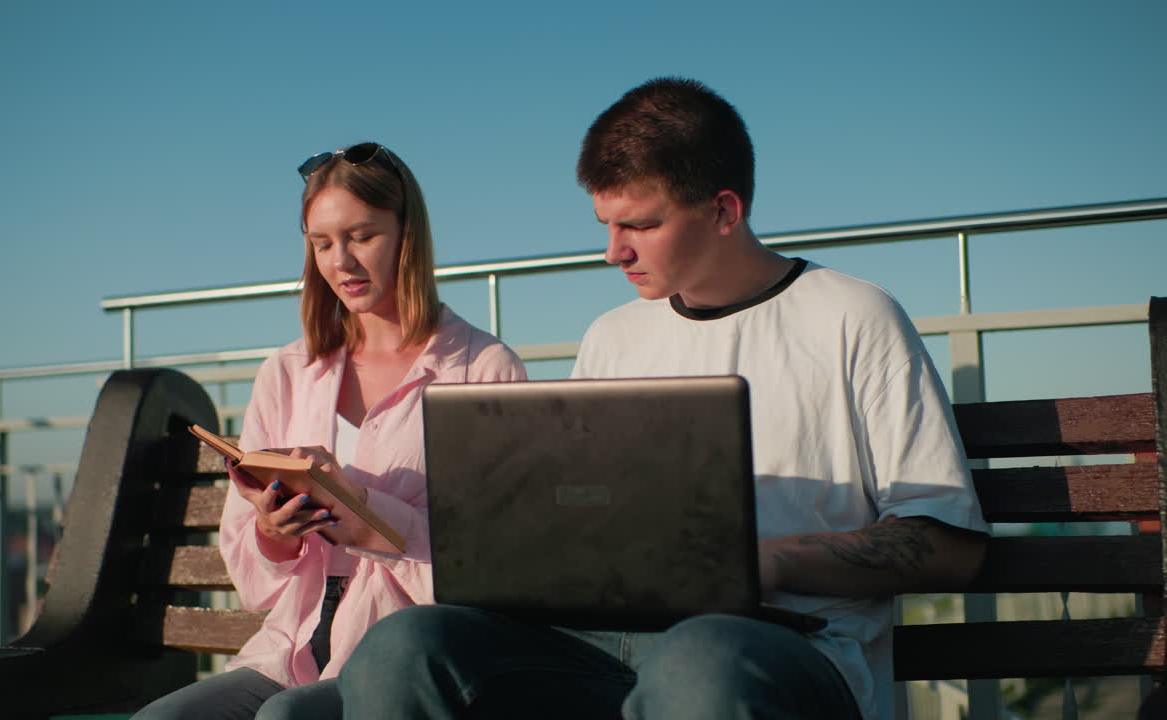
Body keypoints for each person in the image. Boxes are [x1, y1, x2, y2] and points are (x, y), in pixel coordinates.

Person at [335, 79, 990, 719]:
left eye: (640, 226)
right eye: (606, 224)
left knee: (699, 657)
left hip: (789, 644)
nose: (613, 252)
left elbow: (948, 545)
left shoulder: (854, 317)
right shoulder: (614, 337)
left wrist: (760, 561)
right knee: (406, 648)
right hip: (603, 643)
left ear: (724, 211)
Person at [130, 142, 526, 720]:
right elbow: (253, 583)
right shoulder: (288, 372)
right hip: (288, 650)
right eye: (322, 243)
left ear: (407, 234)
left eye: (362, 236)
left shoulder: (483, 369)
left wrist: (362, 511)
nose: (341, 261)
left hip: (403, 661)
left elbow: (495, 567)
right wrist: (274, 532)